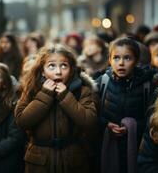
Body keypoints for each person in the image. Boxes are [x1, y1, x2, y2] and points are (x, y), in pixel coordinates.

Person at [14, 43, 98, 173]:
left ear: (71, 70)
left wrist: (65, 96)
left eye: (64, 66)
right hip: (39, 162)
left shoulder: (82, 90)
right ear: (42, 71)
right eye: (51, 66)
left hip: (73, 161)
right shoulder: (31, 90)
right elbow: (22, 121)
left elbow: (89, 122)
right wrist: (45, 95)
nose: (58, 72)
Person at [97, 37, 154, 173]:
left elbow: (152, 117)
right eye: (116, 58)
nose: (121, 63)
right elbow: (92, 113)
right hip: (109, 145)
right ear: (109, 60)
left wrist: (134, 126)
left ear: (136, 61)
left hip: (137, 146)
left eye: (127, 58)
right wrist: (106, 125)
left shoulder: (147, 84)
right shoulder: (102, 82)